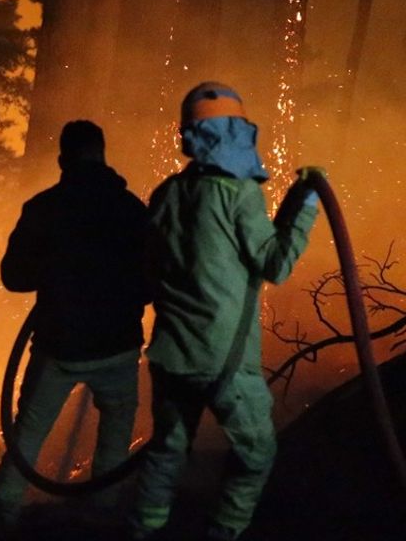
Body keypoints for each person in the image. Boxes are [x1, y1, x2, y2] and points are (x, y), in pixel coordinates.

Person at [130, 82, 320, 541]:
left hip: (172, 356)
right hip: (225, 362)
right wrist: (306, 201)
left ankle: (143, 532)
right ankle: (224, 532)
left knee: (167, 451)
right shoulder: (239, 194)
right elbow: (275, 263)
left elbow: (148, 270)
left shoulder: (166, 194)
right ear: (237, 130)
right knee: (257, 453)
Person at [0, 120, 153, 530]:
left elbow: (14, 277)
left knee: (27, 440)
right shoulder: (131, 210)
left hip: (60, 349)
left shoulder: (44, 208)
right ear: (103, 155)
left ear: (62, 160)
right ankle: (100, 520)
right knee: (115, 439)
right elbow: (151, 281)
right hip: (118, 348)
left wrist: (56, 272)